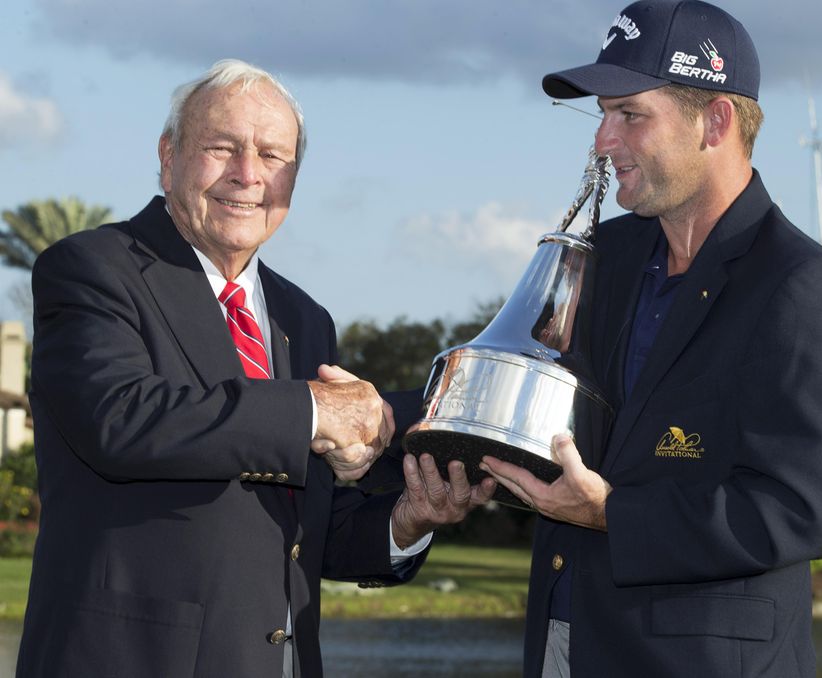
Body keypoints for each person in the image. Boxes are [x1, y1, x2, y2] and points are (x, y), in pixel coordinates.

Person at [16, 59, 494, 678]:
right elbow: (121, 419)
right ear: (168, 156)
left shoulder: (305, 317)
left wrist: (408, 521)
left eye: (273, 155)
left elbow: (305, 529)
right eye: (222, 147)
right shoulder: (92, 268)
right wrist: (315, 409)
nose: (248, 174)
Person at [478, 2, 822, 676]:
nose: (603, 140)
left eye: (630, 115)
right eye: (602, 114)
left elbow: (799, 509)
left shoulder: (801, 285)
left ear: (715, 122)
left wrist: (613, 515)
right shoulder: (606, 254)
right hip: (563, 644)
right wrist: (378, 416)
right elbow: (520, 386)